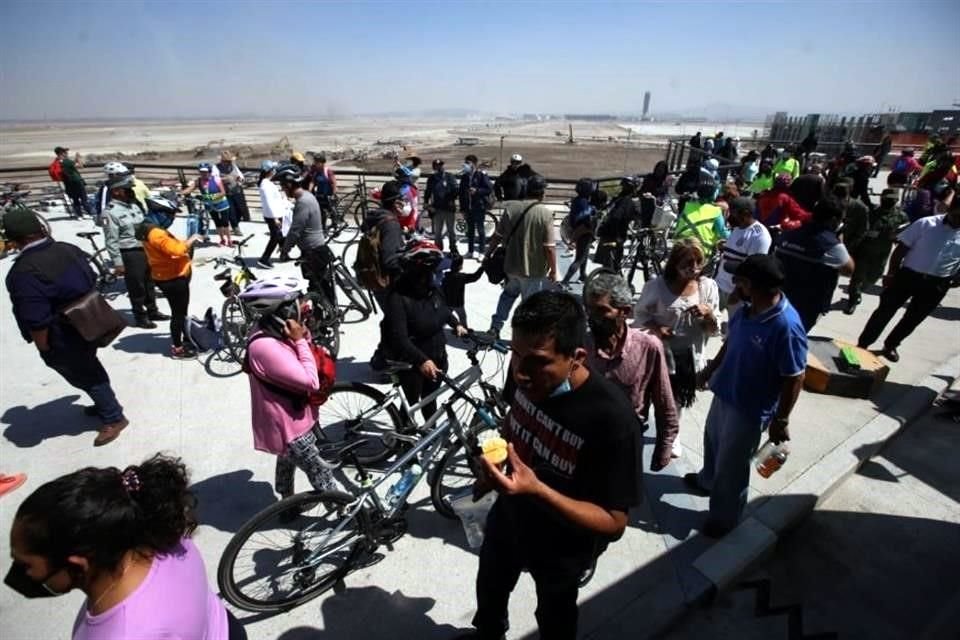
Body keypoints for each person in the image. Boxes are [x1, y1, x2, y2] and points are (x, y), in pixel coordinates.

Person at [468, 291, 639, 640]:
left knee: (554, 617)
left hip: (562, 546)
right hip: (509, 519)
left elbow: (614, 522)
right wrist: (494, 469)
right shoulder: (522, 374)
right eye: (515, 354)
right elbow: (512, 423)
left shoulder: (612, 419)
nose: (520, 372)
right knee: (490, 588)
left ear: (576, 358)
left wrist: (538, 490)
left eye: (537, 361)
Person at [6, 454, 243, 639]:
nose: (16, 572)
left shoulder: (127, 633)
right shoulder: (163, 536)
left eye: (24, 564)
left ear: (77, 565)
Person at [685, 254, 807, 537]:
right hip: (725, 391)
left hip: (749, 410)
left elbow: (794, 377)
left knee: (732, 466)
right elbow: (731, 343)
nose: (733, 282)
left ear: (750, 285)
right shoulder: (746, 309)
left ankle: (724, 518)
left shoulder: (786, 327)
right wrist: (710, 371)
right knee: (713, 442)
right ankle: (706, 480)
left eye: (738, 279)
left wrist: (782, 419)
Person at [4, 209, 128, 446]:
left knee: (84, 374)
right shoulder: (67, 248)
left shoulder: (23, 273)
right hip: (90, 322)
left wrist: (44, 348)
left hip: (63, 335)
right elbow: (92, 278)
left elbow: (36, 318)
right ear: (40, 229)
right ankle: (104, 401)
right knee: (89, 367)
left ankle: (113, 416)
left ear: (14, 240)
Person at [239, 279, 339, 498]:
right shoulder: (264, 346)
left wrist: (302, 335)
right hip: (288, 425)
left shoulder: (274, 329)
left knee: (287, 459)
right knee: (321, 472)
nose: (304, 305)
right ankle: (348, 515)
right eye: (297, 301)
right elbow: (310, 381)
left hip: (293, 417)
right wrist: (301, 340)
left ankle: (287, 504)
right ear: (283, 309)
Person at [585, 272, 680, 468]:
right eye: (589, 309)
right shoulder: (580, 343)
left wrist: (664, 448)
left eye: (601, 311)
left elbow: (664, 401)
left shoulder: (648, 347)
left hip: (624, 441)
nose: (592, 317)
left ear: (625, 312)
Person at [857, 199, 960, 362]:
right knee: (884, 311)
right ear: (951, 209)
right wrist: (891, 274)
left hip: (937, 284)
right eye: (957, 215)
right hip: (908, 276)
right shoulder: (926, 224)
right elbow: (901, 250)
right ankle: (863, 343)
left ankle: (891, 345)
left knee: (913, 319)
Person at [636, 239, 720, 422]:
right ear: (675, 263)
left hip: (686, 360)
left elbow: (713, 330)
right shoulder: (656, 287)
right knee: (646, 396)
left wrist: (709, 314)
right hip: (657, 355)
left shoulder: (707, 287)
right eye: (688, 263)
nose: (694, 267)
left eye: (698, 262)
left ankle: (671, 438)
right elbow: (640, 317)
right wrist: (657, 329)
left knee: (676, 402)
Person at [381, 240, 466, 420]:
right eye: (435, 271)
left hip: (438, 357)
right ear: (420, 272)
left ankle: (430, 435)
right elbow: (400, 339)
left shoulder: (433, 290)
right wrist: (422, 360)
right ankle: (403, 439)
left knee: (429, 399)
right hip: (412, 363)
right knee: (411, 402)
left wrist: (456, 324)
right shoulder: (398, 298)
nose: (439, 274)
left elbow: (443, 310)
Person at [484, 174, 558, 337]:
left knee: (507, 297)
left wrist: (487, 255)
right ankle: (525, 335)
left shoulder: (511, 209)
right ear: (542, 192)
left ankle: (495, 327)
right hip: (533, 270)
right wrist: (553, 271)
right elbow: (550, 248)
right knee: (529, 306)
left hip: (510, 267)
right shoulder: (545, 214)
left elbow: (497, 236)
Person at [776, 198, 855, 332]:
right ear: (834, 220)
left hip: (779, 298)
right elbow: (849, 269)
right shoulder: (830, 244)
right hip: (807, 305)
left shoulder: (790, 234)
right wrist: (839, 241)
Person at [103, 174, 168, 329]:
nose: (130, 191)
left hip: (145, 248)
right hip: (130, 252)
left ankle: (153, 311)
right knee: (136, 285)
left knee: (149, 281)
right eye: (126, 189)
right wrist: (118, 263)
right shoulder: (110, 212)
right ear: (116, 191)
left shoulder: (133, 205)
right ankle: (140, 316)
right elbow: (111, 240)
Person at [137, 222, 202, 359]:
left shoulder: (150, 231)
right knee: (178, 314)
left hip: (166, 275)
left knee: (181, 312)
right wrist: (192, 239)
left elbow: (170, 247)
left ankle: (186, 337)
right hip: (173, 278)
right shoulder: (156, 234)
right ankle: (178, 349)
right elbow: (177, 250)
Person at [277, 166, 335, 307]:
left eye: (283, 188)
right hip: (319, 246)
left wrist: (285, 250)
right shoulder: (309, 196)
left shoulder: (302, 202)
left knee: (316, 287)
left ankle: (325, 317)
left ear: (289, 185)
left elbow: (295, 230)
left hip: (312, 251)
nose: (284, 191)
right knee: (323, 284)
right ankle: (331, 310)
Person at [843, 189, 909, 314]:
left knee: (874, 276)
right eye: (886, 199)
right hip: (864, 250)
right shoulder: (870, 211)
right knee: (857, 277)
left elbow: (905, 232)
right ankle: (853, 299)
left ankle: (860, 290)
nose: (888, 201)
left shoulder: (901, 216)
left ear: (896, 200)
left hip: (882, 253)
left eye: (891, 199)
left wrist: (897, 236)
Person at [715, 197, 772, 319]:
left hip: (736, 291)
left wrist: (737, 292)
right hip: (720, 284)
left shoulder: (759, 235)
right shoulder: (737, 229)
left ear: (745, 213)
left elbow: (752, 268)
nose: (731, 216)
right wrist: (724, 248)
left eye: (734, 213)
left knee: (735, 329)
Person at [595, 176, 643, 270]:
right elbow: (617, 217)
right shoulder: (627, 201)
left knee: (607, 263)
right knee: (613, 264)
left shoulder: (618, 198)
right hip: (615, 235)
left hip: (606, 232)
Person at [180, 163, 233, 247]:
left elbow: (223, 192)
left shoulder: (216, 179)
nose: (203, 174)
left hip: (221, 204)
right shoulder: (199, 181)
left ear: (209, 172)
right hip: (210, 205)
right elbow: (190, 189)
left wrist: (209, 197)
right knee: (217, 223)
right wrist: (180, 194)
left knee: (225, 223)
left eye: (205, 172)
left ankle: (229, 240)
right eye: (201, 172)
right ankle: (222, 239)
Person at [673, 181, 728, 259]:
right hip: (701, 251)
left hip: (679, 246)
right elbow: (723, 233)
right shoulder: (716, 211)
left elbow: (679, 223)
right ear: (713, 194)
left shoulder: (687, 206)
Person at [560, 178, 597, 286]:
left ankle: (582, 274)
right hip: (583, 232)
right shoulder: (583, 203)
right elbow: (586, 218)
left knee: (584, 254)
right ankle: (565, 281)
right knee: (579, 258)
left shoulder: (578, 200)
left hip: (579, 231)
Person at [459, 154, 493, 260]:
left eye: (468, 163)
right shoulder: (464, 177)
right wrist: (462, 209)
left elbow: (489, 189)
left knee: (481, 230)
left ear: (474, 164)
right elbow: (461, 193)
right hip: (468, 208)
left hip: (479, 207)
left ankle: (481, 252)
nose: (466, 165)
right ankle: (470, 251)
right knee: (470, 230)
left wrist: (477, 191)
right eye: (465, 163)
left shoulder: (481, 175)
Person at [756, 173, 812, 238]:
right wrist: (813, 216)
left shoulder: (764, 195)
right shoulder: (785, 198)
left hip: (758, 228)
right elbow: (799, 214)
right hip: (774, 231)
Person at [257, 160, 290, 269]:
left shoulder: (268, 183)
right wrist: (275, 218)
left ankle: (284, 254)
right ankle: (264, 259)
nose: (275, 171)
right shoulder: (265, 185)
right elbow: (268, 202)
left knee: (280, 235)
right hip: (273, 216)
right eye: (273, 169)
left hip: (276, 214)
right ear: (269, 171)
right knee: (275, 237)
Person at [424, 159, 460, 254]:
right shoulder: (431, 179)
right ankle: (438, 249)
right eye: (437, 166)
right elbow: (428, 192)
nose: (440, 167)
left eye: (441, 165)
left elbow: (456, 190)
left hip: (449, 208)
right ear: (434, 168)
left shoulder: (450, 177)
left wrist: (452, 196)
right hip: (437, 209)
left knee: (451, 231)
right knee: (438, 232)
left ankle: (453, 248)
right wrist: (426, 203)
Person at [441, 255, 484, 327]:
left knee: (446, 317)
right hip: (458, 304)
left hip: (447, 302)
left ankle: (439, 329)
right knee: (462, 317)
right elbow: (475, 277)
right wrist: (482, 268)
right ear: (460, 266)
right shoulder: (461, 277)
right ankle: (464, 330)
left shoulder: (446, 276)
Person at [215, 151, 247, 231]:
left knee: (240, 210)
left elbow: (240, 176)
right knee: (231, 211)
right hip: (225, 192)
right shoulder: (215, 168)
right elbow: (214, 179)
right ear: (222, 161)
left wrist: (240, 179)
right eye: (227, 161)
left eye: (229, 161)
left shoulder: (233, 166)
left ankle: (235, 223)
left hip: (237, 191)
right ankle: (235, 227)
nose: (229, 163)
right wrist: (224, 179)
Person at [59, 148, 94, 219]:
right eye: (65, 152)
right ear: (62, 153)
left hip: (68, 183)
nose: (67, 153)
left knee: (75, 200)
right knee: (84, 199)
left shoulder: (59, 162)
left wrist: (74, 161)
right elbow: (81, 166)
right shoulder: (67, 161)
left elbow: (70, 166)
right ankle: (91, 214)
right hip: (77, 182)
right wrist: (78, 158)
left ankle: (79, 215)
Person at [309, 153, 337, 233]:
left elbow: (333, 183)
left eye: (317, 162)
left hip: (328, 196)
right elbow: (313, 182)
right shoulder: (315, 171)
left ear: (322, 163)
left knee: (332, 212)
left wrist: (333, 194)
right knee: (322, 214)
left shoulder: (327, 171)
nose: (315, 164)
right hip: (319, 195)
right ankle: (323, 230)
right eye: (315, 162)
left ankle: (335, 227)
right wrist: (309, 191)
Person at [639, 161, 672, 228]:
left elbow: (665, 193)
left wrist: (660, 200)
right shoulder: (649, 177)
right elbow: (642, 189)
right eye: (658, 169)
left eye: (662, 169)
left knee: (655, 224)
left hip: (657, 206)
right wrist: (645, 194)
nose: (659, 171)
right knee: (645, 222)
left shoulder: (665, 181)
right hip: (646, 203)